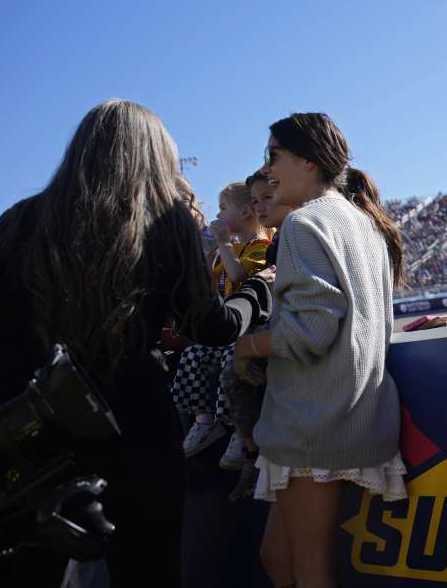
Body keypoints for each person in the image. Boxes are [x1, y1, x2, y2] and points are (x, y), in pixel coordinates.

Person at [0, 100, 272, 587]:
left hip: (28, 442)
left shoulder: (17, 222)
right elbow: (211, 326)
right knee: (148, 572)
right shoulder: (167, 224)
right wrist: (257, 293)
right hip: (136, 439)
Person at [232, 112, 408, 588]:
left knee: (310, 572)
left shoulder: (305, 224)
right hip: (347, 417)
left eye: (274, 156)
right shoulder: (361, 220)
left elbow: (308, 334)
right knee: (278, 559)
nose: (267, 170)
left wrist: (246, 347)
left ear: (307, 162)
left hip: (315, 425)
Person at [173, 180, 271, 458]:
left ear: (245, 212)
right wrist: (210, 253)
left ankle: (242, 432)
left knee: (231, 361)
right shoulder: (225, 250)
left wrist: (224, 244)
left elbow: (239, 276)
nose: (218, 215)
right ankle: (205, 422)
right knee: (194, 353)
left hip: (250, 328)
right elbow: (208, 283)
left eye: (224, 208)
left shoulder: (259, 245)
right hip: (228, 327)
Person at [220, 170, 296, 500]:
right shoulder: (279, 240)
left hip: (293, 345)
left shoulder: (292, 237)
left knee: (232, 370)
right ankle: (250, 450)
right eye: (255, 201)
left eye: (267, 197)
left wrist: (249, 346)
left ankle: (248, 447)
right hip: (277, 336)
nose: (261, 207)